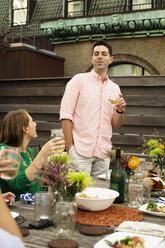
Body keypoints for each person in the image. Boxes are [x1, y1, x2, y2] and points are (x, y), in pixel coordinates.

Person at [60, 40, 126, 177]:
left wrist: (120, 110)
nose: (100, 57)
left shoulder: (115, 88)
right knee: (78, 194)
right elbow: (66, 116)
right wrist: (70, 148)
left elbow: (116, 124)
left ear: (111, 59)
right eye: (96, 54)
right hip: (79, 152)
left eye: (104, 54)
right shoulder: (78, 81)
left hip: (103, 154)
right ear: (92, 59)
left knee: (99, 194)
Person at [0, 109, 65, 201]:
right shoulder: (4, 150)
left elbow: (39, 185)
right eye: (32, 121)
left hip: (34, 206)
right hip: (14, 210)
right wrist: (43, 154)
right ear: (25, 128)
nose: (35, 124)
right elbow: (16, 185)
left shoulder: (30, 152)